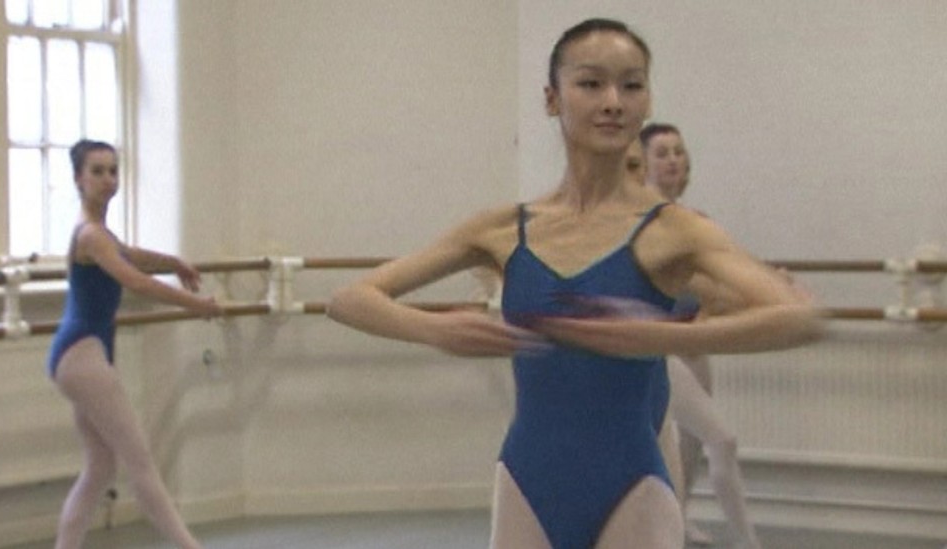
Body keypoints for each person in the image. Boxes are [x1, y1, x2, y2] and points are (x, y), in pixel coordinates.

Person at [328, 18, 821, 549]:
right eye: (591, 83)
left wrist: (664, 336)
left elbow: (799, 317)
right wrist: (435, 330)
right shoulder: (501, 229)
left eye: (631, 85)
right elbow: (349, 300)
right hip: (526, 478)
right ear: (552, 98)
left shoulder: (675, 230)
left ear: (647, 100)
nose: (613, 102)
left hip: (632, 482)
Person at [47, 139, 222, 549]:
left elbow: (133, 256)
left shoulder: (100, 233)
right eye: (98, 171)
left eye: (113, 170)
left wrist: (174, 263)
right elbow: (135, 280)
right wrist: (196, 305)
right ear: (78, 179)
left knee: (100, 467)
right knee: (140, 461)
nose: (108, 179)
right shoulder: (91, 234)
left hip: (82, 354)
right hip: (81, 354)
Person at [640, 123, 762, 548]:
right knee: (722, 439)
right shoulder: (646, 226)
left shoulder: (695, 222)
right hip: (661, 350)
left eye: (678, 151)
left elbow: (728, 272)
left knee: (689, 444)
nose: (673, 160)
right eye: (662, 153)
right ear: (641, 165)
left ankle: (679, 518)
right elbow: (700, 283)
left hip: (693, 346)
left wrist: (765, 282)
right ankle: (748, 541)